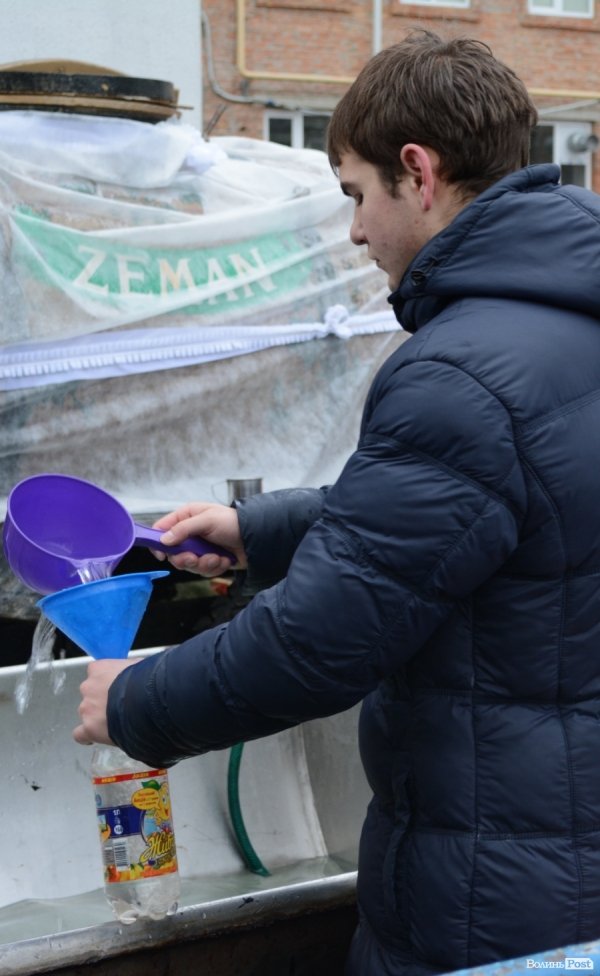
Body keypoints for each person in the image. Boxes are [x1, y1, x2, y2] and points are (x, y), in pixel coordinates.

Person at [74, 29, 600, 975]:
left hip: (490, 903)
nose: (354, 230)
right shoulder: (568, 330)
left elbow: (319, 644)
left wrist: (135, 703)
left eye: (357, 196)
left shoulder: (461, 374)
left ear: (418, 173)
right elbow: (490, 515)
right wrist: (256, 529)